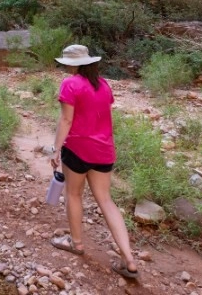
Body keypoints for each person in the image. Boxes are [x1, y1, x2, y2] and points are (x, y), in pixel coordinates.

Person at [49, 44, 139, 280]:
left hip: (78, 148)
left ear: (74, 64)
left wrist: (55, 149)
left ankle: (76, 243)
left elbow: (66, 120)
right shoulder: (103, 84)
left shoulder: (70, 84)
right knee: (106, 201)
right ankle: (128, 258)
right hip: (104, 150)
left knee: (74, 194)